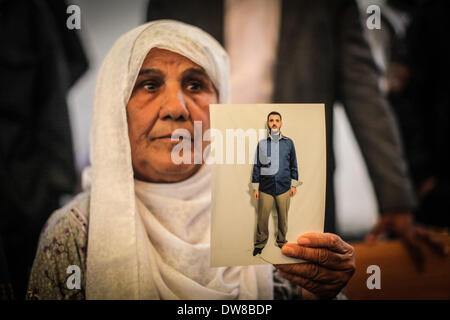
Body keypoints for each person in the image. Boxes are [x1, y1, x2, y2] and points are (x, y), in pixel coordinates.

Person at [26, 20, 355, 300]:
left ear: (221, 102)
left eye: (195, 84)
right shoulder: (73, 235)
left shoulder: (266, 216)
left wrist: (324, 292)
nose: (176, 108)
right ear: (115, 111)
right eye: (149, 85)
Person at [146, 0, 447, 271]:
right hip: (198, 175)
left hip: (298, 192)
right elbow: (146, 80)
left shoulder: (328, 5)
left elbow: (365, 95)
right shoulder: (173, 3)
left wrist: (395, 200)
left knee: (301, 275)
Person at [252, 111, 299, 255]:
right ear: (268, 123)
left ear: (281, 123)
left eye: (277, 120)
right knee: (262, 219)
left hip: (284, 187)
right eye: (271, 120)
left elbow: (293, 164)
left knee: (283, 219)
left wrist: (293, 184)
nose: (274, 123)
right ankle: (260, 244)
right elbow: (257, 166)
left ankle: (281, 242)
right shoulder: (262, 144)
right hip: (265, 188)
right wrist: (256, 187)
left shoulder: (289, 143)